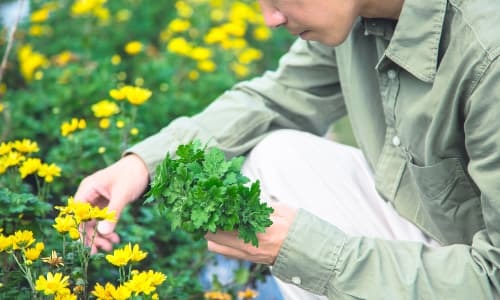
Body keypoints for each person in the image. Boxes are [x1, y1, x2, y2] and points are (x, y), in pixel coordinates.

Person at [75, 0, 500, 298]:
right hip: (445, 245)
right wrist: (142, 164)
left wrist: (307, 251)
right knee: (279, 158)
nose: (270, 19)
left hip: (481, 274)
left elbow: (493, 281)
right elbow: (276, 98)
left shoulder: (488, 55)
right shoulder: (361, 14)